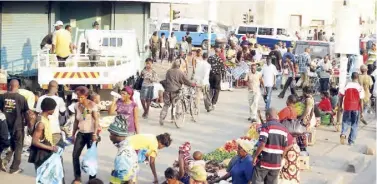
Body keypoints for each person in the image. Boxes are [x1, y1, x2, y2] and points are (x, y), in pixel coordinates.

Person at [252, 108, 289, 184]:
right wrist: (280, 158)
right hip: (276, 164)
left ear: (268, 116)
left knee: (257, 181)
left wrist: (255, 156)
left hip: (264, 162)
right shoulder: (284, 129)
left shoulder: (266, 126)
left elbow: (262, 144)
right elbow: (285, 148)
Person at [71, 86, 99, 184]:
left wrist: (95, 133)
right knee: (75, 155)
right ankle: (77, 177)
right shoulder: (76, 106)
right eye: (78, 97)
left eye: (82, 97)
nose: (79, 99)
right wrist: (73, 134)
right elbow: (76, 120)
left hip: (91, 134)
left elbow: (96, 120)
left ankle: (92, 179)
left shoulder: (92, 105)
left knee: (91, 157)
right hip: (81, 133)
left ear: (86, 96)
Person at [0, 79, 29, 174]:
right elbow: (26, 113)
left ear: (9, 85)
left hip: (4, 126)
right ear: (18, 86)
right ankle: (14, 168)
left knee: (7, 145)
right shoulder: (21, 98)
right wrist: (29, 126)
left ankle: (4, 161)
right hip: (18, 126)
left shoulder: (2, 97)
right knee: (18, 147)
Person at [29, 98, 63, 171]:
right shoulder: (41, 123)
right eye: (53, 108)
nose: (54, 110)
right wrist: (51, 148)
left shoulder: (45, 118)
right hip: (41, 154)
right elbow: (34, 142)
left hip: (45, 151)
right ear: (49, 110)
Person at [159, 60, 196, 125]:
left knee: (166, 105)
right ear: (179, 66)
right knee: (176, 104)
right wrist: (192, 84)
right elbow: (186, 81)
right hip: (175, 91)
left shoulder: (169, 71)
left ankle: (162, 118)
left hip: (167, 90)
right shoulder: (180, 72)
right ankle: (175, 117)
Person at [108, 118, 139, 184]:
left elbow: (125, 179)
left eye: (111, 134)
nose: (110, 136)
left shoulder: (122, 155)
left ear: (118, 135)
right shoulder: (129, 145)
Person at [35, 80, 66, 145]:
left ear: (48, 87)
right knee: (55, 150)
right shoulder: (59, 99)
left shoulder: (41, 98)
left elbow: (37, 112)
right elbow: (63, 112)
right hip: (55, 130)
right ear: (57, 88)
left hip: (42, 130)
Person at [339, 72, 365, 145]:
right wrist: (362, 111)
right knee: (354, 124)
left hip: (347, 107)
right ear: (357, 78)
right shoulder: (360, 87)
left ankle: (343, 133)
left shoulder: (346, 86)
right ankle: (351, 141)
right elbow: (361, 100)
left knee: (345, 121)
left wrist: (341, 106)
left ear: (351, 77)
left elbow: (341, 97)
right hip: (356, 108)